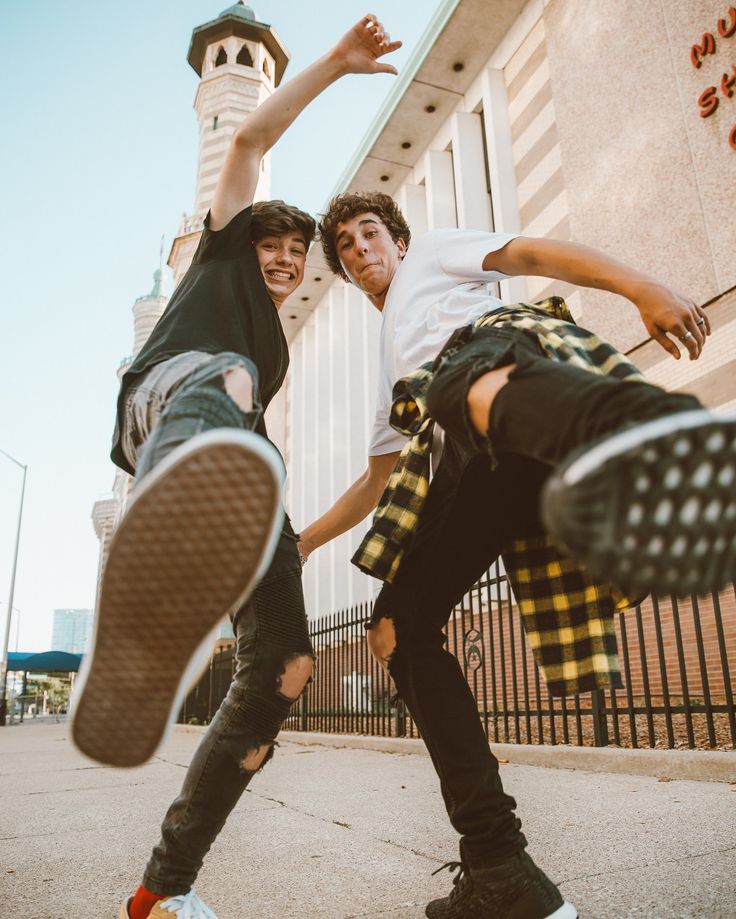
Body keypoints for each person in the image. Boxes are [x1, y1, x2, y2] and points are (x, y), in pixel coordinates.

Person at [299, 191, 736, 918]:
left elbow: (534, 254)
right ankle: (500, 866)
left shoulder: (435, 257)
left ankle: (637, 432)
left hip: (497, 366)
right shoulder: (392, 367)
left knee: (459, 381)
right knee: (397, 631)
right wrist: (302, 541)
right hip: (479, 458)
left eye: (367, 233)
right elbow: (376, 481)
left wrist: (642, 287)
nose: (358, 249)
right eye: (344, 246)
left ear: (398, 241)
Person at [70, 18, 401, 919]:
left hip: (238, 463)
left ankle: (162, 888)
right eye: (275, 248)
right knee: (232, 386)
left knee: (285, 667)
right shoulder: (218, 250)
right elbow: (250, 136)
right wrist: (336, 64)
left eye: (298, 258)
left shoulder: (276, 352)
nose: (287, 263)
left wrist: (291, 534)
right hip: (174, 405)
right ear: (240, 239)